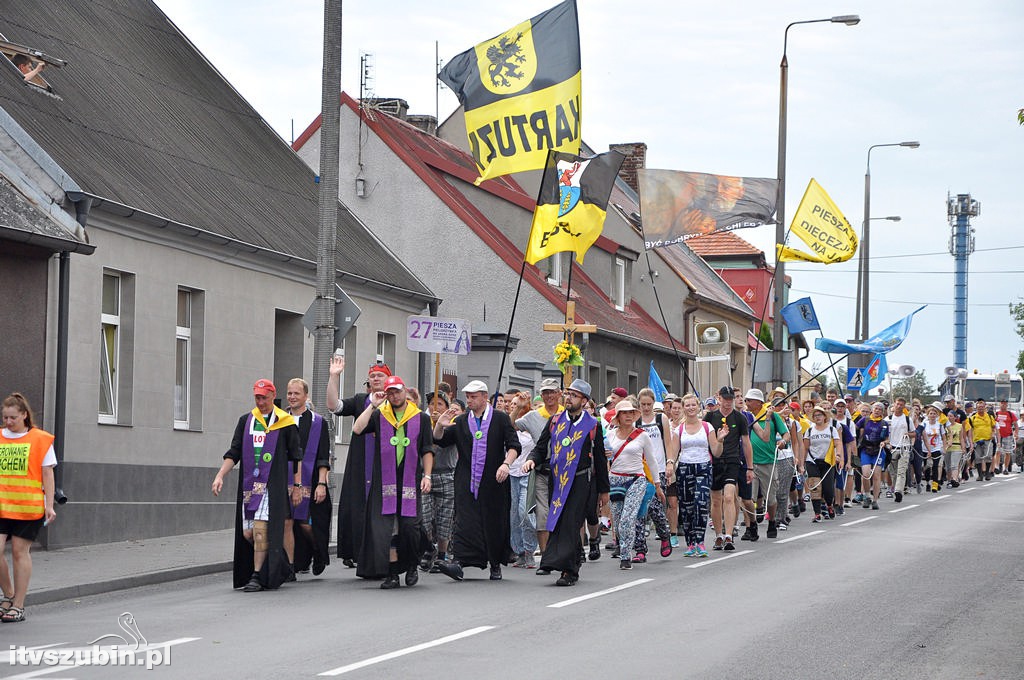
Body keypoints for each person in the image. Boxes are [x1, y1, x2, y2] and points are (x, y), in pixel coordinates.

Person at [213, 379, 301, 592]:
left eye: (264, 397)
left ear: (273, 395)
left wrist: (296, 486)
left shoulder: (285, 422)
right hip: (250, 486)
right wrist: (220, 475)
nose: (260, 401)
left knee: (261, 531)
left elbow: (296, 456)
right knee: (249, 534)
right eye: (257, 397)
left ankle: (257, 575)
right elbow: (234, 452)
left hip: (272, 485)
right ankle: (276, 563)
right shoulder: (246, 421)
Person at [522, 379, 608, 586]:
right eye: (568, 394)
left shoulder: (592, 425)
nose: (569, 398)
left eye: (574, 395)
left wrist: (604, 491)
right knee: (559, 521)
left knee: (572, 522)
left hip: (580, 481)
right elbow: (541, 447)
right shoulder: (555, 421)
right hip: (557, 480)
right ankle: (558, 559)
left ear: (584, 401)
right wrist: (531, 460)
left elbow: (600, 459)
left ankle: (569, 572)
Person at [351, 375, 434, 588]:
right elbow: (357, 429)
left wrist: (427, 475)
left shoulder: (420, 418)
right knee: (387, 529)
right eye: (390, 392)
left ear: (404, 391)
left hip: (410, 480)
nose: (394, 396)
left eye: (397, 391)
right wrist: (373, 406)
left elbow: (427, 449)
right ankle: (393, 572)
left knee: (410, 528)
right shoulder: (381, 416)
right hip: (384, 481)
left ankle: (412, 565)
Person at [433, 381, 519, 581]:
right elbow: (440, 440)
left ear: (484, 397)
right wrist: (439, 425)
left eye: (473, 396)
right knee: (464, 521)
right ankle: (459, 563)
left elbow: (513, 445)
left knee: (493, 522)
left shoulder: (500, 418)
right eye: (467, 397)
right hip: (466, 480)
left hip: (494, 480)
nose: (469, 400)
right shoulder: (462, 420)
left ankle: (495, 564)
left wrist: (506, 464)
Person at [327, 356, 391, 568]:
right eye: (372, 376)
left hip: (386, 463)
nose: (375, 379)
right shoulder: (360, 400)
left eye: (380, 375)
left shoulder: (396, 402)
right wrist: (334, 377)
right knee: (356, 508)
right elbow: (334, 406)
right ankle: (355, 551)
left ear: (389, 379)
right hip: (360, 462)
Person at [0, 393, 58, 623]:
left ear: (24, 415)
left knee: (18, 552)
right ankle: (9, 594)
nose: (8, 422)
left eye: (13, 417)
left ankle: (18, 605)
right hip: (2, 505)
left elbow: (47, 474)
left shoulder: (39, 439)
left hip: (27, 506)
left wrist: (49, 505)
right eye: (5, 417)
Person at [604, 397, 662, 569]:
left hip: (636, 479)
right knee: (618, 518)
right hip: (615, 479)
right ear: (618, 416)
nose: (628, 416)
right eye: (624, 413)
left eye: (631, 412)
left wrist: (657, 485)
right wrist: (606, 455)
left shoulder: (642, 436)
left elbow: (651, 461)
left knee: (627, 519)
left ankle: (625, 556)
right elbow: (604, 458)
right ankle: (624, 547)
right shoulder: (610, 434)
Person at [514, 377, 563, 572]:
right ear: (541, 395)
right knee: (542, 515)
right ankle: (546, 559)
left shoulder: (567, 415)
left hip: (564, 473)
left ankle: (569, 551)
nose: (549, 395)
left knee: (562, 514)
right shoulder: (534, 416)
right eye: (545, 392)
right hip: (542, 470)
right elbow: (511, 426)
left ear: (559, 394)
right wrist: (519, 407)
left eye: (552, 392)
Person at [284, 379, 332, 577]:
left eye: (296, 393)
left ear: (305, 396)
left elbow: (322, 455)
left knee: (305, 523)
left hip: (310, 479)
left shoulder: (317, 422)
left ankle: (318, 551)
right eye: (289, 393)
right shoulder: (279, 419)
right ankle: (290, 564)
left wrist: (321, 483)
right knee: (287, 523)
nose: (292, 397)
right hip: (284, 479)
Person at [670, 394, 724, 557]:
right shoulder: (679, 429)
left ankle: (700, 541)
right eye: (687, 405)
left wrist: (720, 440)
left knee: (700, 503)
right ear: (683, 408)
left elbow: (716, 452)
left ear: (698, 407)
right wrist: (670, 465)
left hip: (703, 467)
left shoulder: (707, 427)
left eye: (693, 405)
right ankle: (690, 543)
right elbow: (673, 452)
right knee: (686, 507)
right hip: (685, 468)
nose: (691, 408)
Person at [705, 386, 752, 551]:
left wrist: (750, 468)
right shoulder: (710, 417)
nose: (728, 403)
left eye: (730, 399)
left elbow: (746, 443)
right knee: (716, 500)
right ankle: (718, 535)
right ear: (719, 399)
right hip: (715, 462)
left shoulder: (739, 418)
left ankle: (729, 535)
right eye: (725, 399)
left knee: (730, 497)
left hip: (733, 461)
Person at [420, 391, 459, 571]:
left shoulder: (453, 424)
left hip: (446, 474)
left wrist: (441, 425)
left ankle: (442, 554)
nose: (435, 408)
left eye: (440, 404)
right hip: (426, 475)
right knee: (425, 517)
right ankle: (428, 548)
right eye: (432, 404)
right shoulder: (422, 423)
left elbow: (440, 442)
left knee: (444, 519)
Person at [633, 388, 674, 561]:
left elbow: (668, 443)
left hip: (658, 470)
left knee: (655, 507)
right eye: (643, 404)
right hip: (640, 470)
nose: (646, 408)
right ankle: (640, 549)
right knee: (639, 509)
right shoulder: (636, 421)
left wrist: (670, 462)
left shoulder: (661, 418)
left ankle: (664, 534)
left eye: (649, 404)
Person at [744, 389, 791, 539]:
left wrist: (783, 441)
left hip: (768, 462)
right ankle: (751, 527)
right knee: (748, 498)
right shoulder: (747, 416)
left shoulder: (772, 415)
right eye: (745, 400)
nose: (746, 403)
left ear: (758, 402)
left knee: (770, 499)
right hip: (750, 463)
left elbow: (786, 433)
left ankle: (772, 521)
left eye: (749, 400)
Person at [507, 392, 538, 569]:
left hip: (527, 473)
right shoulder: (511, 424)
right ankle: (518, 551)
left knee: (524, 512)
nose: (513, 405)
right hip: (511, 474)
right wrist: (516, 407)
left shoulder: (531, 424)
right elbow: (509, 424)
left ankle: (529, 551)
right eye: (511, 403)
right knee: (513, 515)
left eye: (516, 403)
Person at [803, 405, 842, 521]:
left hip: (828, 461)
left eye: (819, 415)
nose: (817, 417)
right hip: (812, 461)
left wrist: (838, 455)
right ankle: (817, 513)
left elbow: (838, 444)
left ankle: (829, 505)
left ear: (824, 416)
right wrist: (801, 464)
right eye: (815, 416)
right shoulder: (810, 430)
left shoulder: (831, 429)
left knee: (828, 488)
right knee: (815, 487)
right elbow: (805, 447)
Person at [856, 402, 890, 510]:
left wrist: (884, 443)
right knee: (865, 474)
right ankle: (866, 495)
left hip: (878, 451)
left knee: (876, 476)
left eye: (880, 409)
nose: (877, 411)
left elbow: (887, 438)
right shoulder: (865, 420)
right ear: (872, 409)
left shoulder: (884, 423)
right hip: (866, 449)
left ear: (882, 411)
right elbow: (854, 428)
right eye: (876, 408)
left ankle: (875, 500)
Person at [888, 396, 917, 503]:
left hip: (904, 447)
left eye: (901, 405)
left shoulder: (907, 419)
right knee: (893, 472)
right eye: (897, 404)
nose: (899, 406)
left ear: (904, 406)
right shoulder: (888, 419)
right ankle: (895, 487)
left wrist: (908, 434)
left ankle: (898, 491)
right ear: (894, 405)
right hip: (892, 448)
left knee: (901, 471)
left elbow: (914, 433)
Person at [968, 400, 997, 480]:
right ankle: (980, 475)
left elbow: (994, 427)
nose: (980, 408)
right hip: (977, 440)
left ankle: (987, 473)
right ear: (976, 408)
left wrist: (993, 434)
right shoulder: (972, 418)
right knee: (978, 458)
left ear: (985, 408)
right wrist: (970, 440)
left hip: (988, 439)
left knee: (988, 456)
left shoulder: (990, 417)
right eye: (979, 407)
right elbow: (969, 429)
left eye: (982, 407)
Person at [922, 403, 947, 492]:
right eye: (930, 414)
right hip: (925, 448)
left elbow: (944, 437)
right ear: (928, 415)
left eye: (934, 414)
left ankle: (935, 484)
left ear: (937, 415)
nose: (932, 415)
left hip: (936, 447)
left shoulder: (939, 425)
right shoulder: (924, 424)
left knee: (935, 466)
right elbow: (920, 435)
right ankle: (928, 482)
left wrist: (944, 448)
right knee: (927, 466)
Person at [994, 398, 1018, 475]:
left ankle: (1006, 468)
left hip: (1008, 435)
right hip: (998, 435)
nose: (1003, 405)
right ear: (999, 404)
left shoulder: (1010, 414)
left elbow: (1015, 425)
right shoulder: (996, 414)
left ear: (1007, 404)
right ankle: (996, 467)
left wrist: (1016, 433)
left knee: (1007, 452)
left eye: (1005, 403)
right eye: (1002, 403)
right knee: (997, 451)